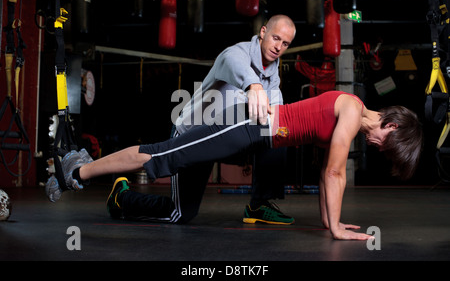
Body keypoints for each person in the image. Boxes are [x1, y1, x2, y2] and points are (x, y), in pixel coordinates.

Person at [45, 91, 423, 240]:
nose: (378, 149)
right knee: (162, 154)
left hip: (253, 137)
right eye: (387, 146)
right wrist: (337, 230)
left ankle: (116, 195)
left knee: (182, 214)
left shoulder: (352, 119)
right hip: (248, 125)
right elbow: (334, 173)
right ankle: (76, 171)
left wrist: (330, 221)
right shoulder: (353, 112)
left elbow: (328, 170)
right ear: (391, 125)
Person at [121, 14, 296, 225]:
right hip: (193, 137)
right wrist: (254, 86)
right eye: (276, 38)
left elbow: (278, 118)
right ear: (263, 32)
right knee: (180, 214)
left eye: (285, 43)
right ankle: (121, 198)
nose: (278, 47)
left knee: (276, 130)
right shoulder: (235, 54)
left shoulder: (273, 79)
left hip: (226, 141)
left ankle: (259, 204)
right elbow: (236, 65)